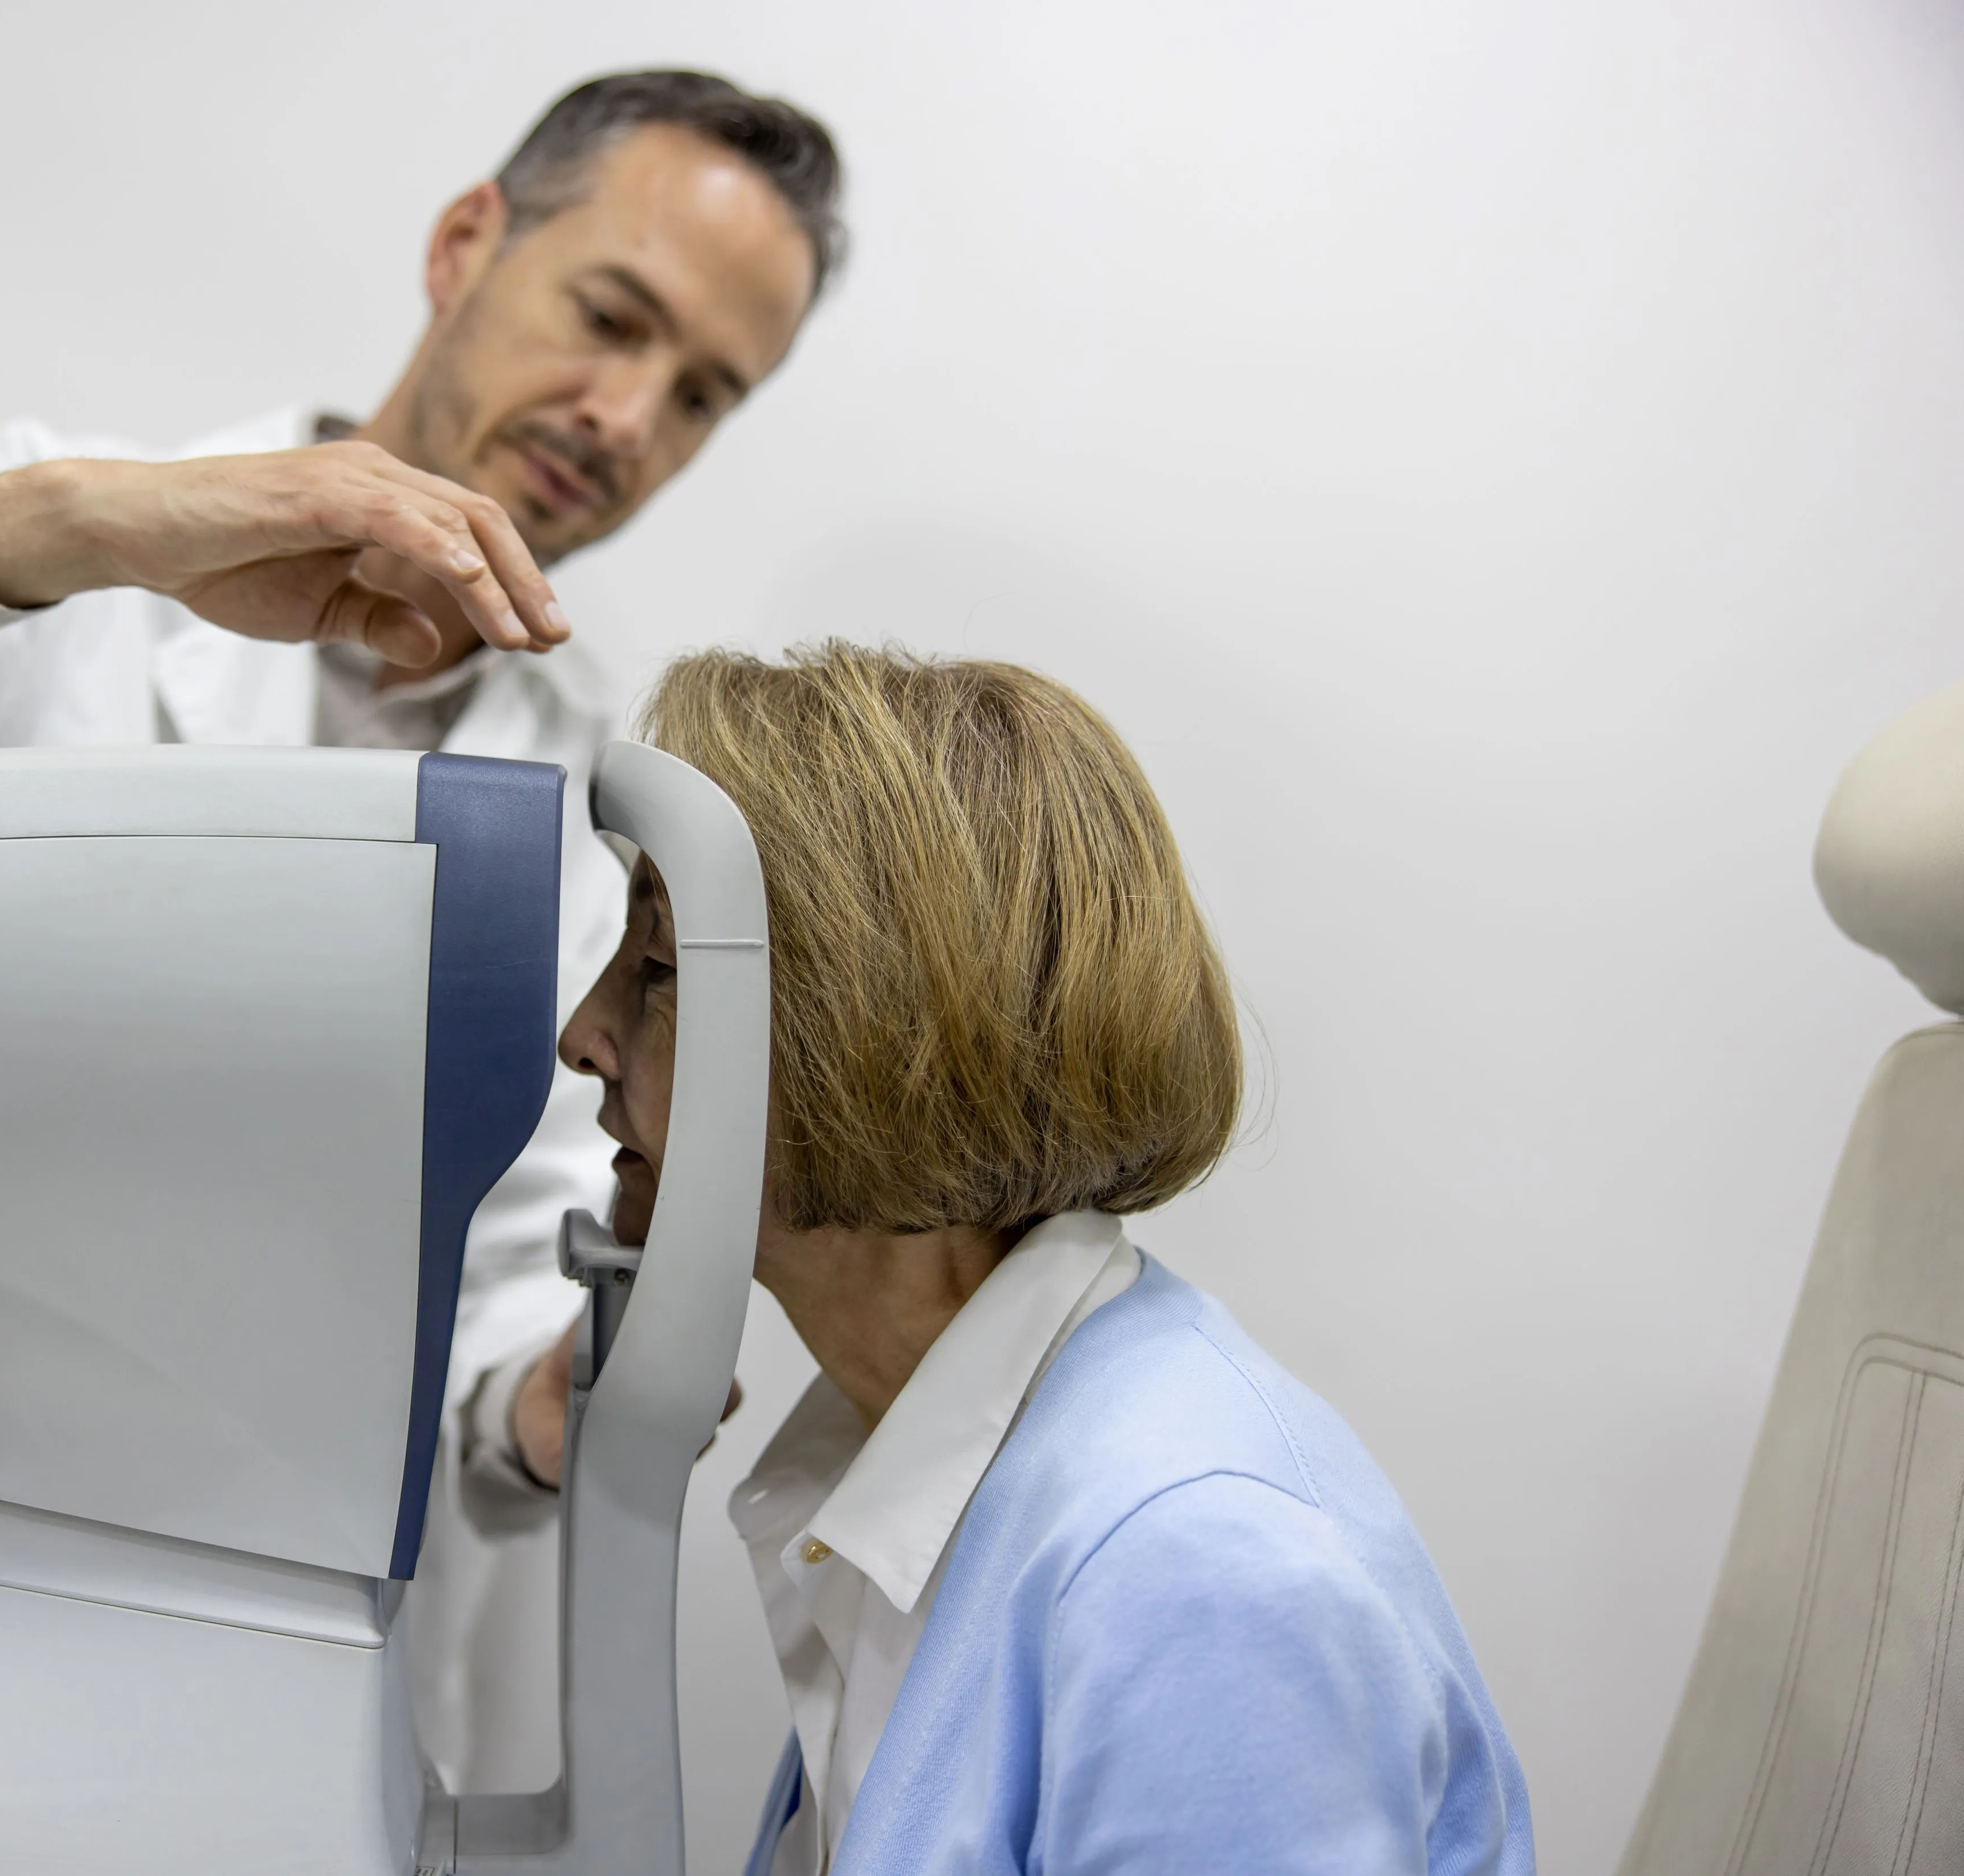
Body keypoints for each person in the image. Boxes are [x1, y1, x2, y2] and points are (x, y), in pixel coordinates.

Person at [0, 70, 843, 1790]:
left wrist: (537, 1407)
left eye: (703, 391)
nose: (626, 415)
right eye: (611, 316)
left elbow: (497, 1274)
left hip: (285, 1695)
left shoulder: (590, 796)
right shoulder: (50, 570)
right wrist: (70, 532)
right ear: (467, 242)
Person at [553, 644, 1535, 1874]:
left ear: (871, 1023)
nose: (582, 1033)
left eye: (657, 970)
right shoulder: (909, 1470)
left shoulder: (1195, 1578)